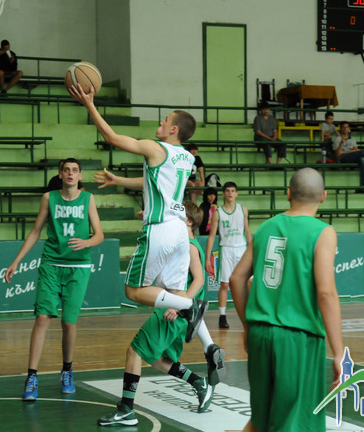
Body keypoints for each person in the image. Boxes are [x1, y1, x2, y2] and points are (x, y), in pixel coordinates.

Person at [68, 83, 208, 343]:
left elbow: (112, 138)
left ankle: (191, 306)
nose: (161, 122)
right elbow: (154, 181)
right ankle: (209, 346)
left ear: (173, 129)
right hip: (181, 230)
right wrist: (119, 180)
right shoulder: (186, 157)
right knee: (176, 291)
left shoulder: (157, 148)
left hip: (160, 228)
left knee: (133, 291)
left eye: (166, 120)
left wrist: (89, 104)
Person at [229, 168, 343, 432]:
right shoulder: (323, 232)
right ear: (324, 196)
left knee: (261, 420)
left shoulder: (266, 227)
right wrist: (339, 352)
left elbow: (236, 279)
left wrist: (248, 326)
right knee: (294, 423)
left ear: (288, 193)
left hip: (259, 335)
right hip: (297, 339)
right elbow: (326, 293)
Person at [97, 202, 224, 426]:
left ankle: (126, 409)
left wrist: (179, 306)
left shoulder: (190, 245)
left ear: (188, 221)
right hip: (176, 311)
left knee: (135, 351)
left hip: (175, 312)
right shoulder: (179, 241)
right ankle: (199, 383)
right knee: (155, 358)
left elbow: (199, 280)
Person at [3, 158, 104, 402]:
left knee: (69, 323)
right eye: (66, 170)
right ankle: (31, 377)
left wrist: (87, 242)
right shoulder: (49, 198)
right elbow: (36, 231)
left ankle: (67, 371)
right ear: (60, 174)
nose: (70, 173)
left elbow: (100, 235)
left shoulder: (88, 199)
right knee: (42, 318)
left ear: (80, 176)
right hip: (51, 264)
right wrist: (16, 261)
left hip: (78, 267)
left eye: (75, 170)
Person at [205, 182, 252, 329]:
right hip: (226, 249)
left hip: (242, 248)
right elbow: (212, 236)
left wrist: (252, 250)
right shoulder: (218, 212)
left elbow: (247, 231)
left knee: (248, 282)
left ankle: (251, 314)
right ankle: (222, 316)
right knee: (225, 284)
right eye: (227, 191)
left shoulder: (243, 209)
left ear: (236, 193)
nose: (230, 193)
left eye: (233, 191)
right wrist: (207, 258)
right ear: (223, 193)